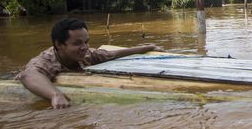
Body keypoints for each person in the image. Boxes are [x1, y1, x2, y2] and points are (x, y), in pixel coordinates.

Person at [17, 18, 158, 109]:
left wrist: (148, 48)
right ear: (59, 45)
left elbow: (112, 54)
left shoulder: (86, 54)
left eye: (86, 42)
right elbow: (28, 75)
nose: (84, 47)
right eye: (77, 43)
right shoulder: (48, 59)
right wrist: (55, 95)